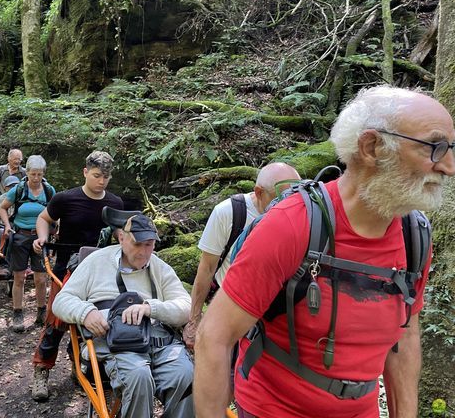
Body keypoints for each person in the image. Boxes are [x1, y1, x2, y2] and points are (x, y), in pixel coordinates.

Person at [194, 86, 455, 418]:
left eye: (451, 147)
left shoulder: (414, 235)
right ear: (372, 147)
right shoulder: (292, 225)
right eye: (435, 147)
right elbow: (214, 337)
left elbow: (403, 339)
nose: (449, 166)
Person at [52, 214, 194, 418]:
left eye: (149, 245)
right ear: (121, 238)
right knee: (138, 376)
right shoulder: (97, 261)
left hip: (160, 342)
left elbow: (185, 307)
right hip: (116, 343)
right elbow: (61, 300)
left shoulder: (159, 267)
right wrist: (86, 312)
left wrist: (150, 308)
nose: (144, 252)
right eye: (138, 244)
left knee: (186, 376)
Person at [31, 150, 124, 401]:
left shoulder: (114, 203)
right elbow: (44, 218)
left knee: (93, 321)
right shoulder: (65, 199)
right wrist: (42, 237)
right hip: (66, 268)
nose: (101, 181)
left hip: (100, 272)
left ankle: (81, 366)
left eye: (105, 177)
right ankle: (41, 369)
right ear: (85, 172)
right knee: (57, 320)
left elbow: (119, 234)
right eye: (96, 176)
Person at [183, 162, 301, 349]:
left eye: (294, 196)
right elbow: (207, 269)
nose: (287, 204)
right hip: (232, 305)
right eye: (280, 198)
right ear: (259, 192)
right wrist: (193, 320)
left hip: (276, 312)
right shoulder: (229, 212)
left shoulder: (300, 214)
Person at [0, 155, 56, 332]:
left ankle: (41, 312)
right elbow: (2, 207)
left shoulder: (49, 190)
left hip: (41, 237)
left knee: (40, 278)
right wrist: (7, 226)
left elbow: (57, 210)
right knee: (19, 277)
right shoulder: (19, 189)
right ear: (27, 172)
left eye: (39, 174)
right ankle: (17, 313)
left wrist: (57, 229)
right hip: (20, 237)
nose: (36, 178)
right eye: (33, 174)